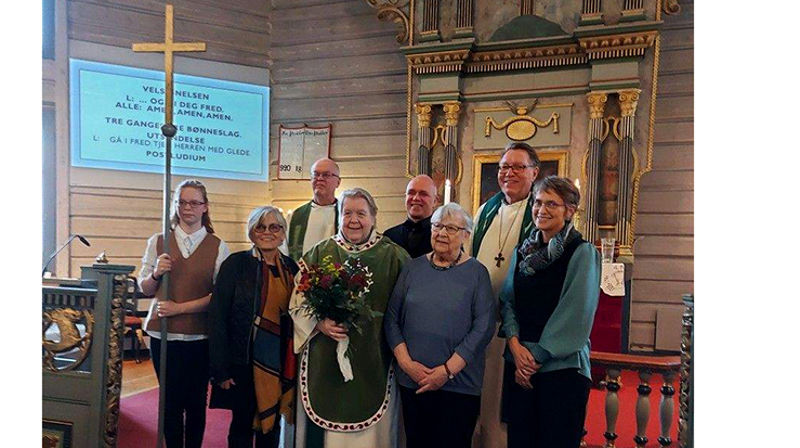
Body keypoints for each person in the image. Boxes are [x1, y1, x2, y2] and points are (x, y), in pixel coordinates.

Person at [289, 188, 410, 448]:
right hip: (324, 359)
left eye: (361, 213)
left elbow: (409, 308)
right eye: (347, 213)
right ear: (339, 216)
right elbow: (297, 303)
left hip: (375, 358)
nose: (354, 220)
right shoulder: (319, 253)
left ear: (374, 217)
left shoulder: (394, 256)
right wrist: (319, 324)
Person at [499, 176, 601, 448]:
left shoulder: (581, 252)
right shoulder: (522, 251)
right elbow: (508, 300)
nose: (541, 210)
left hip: (561, 370)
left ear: (569, 210)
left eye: (551, 204)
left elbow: (576, 313)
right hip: (518, 365)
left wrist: (535, 358)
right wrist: (514, 344)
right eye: (538, 202)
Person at [384, 202, 495, 448]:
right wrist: (405, 363)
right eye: (437, 226)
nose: (442, 233)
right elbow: (392, 318)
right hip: (413, 380)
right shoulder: (413, 267)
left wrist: (447, 371)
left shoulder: (477, 273)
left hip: (459, 385)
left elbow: (484, 326)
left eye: (451, 228)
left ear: (466, 234)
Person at [138, 179, 230, 448]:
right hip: (162, 334)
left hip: (199, 336)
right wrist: (156, 272)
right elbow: (144, 287)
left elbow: (219, 297)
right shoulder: (158, 242)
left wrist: (180, 308)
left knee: (195, 401)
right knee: (170, 401)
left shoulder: (217, 246)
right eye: (182, 202)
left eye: (194, 202)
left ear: (205, 207)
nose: (187, 208)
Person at [209, 206, 299, 448]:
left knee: (271, 428)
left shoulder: (293, 269)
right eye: (260, 226)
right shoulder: (235, 265)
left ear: (282, 234)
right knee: (241, 426)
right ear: (251, 232)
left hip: (280, 362)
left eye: (274, 227)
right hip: (243, 363)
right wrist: (221, 369)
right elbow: (217, 318)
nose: (267, 232)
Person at [469, 141, 540, 448]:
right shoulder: (486, 209)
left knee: (501, 404)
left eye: (518, 167)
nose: (509, 173)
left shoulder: (541, 210)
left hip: (517, 328)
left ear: (534, 172)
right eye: (504, 167)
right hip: (479, 322)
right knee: (480, 397)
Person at [284, 158, 341, 260]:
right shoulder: (294, 217)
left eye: (326, 175)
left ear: (338, 182)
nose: (320, 178)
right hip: (300, 274)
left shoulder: (344, 215)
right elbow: (284, 253)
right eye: (316, 174)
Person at [383, 175, 437, 258]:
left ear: (435, 201)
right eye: (411, 193)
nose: (416, 198)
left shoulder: (442, 238)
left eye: (423, 194)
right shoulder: (389, 237)